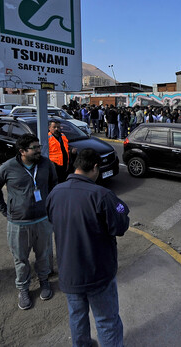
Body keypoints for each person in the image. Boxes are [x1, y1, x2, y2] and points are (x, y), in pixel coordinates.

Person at [46, 148, 130, 347]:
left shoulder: (55, 193)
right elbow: (120, 223)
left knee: (77, 318)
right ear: (94, 167)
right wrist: (121, 208)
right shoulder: (102, 195)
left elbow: (52, 220)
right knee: (106, 320)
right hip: (97, 272)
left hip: (69, 272)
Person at [0, 133, 58, 310]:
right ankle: (24, 289)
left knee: (43, 255)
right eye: (34, 148)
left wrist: (49, 208)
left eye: (39, 146)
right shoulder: (8, 167)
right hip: (18, 224)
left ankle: (44, 281)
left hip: (42, 220)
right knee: (21, 259)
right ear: (22, 151)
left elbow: (53, 185)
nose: (38, 150)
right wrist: (6, 211)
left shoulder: (46, 165)